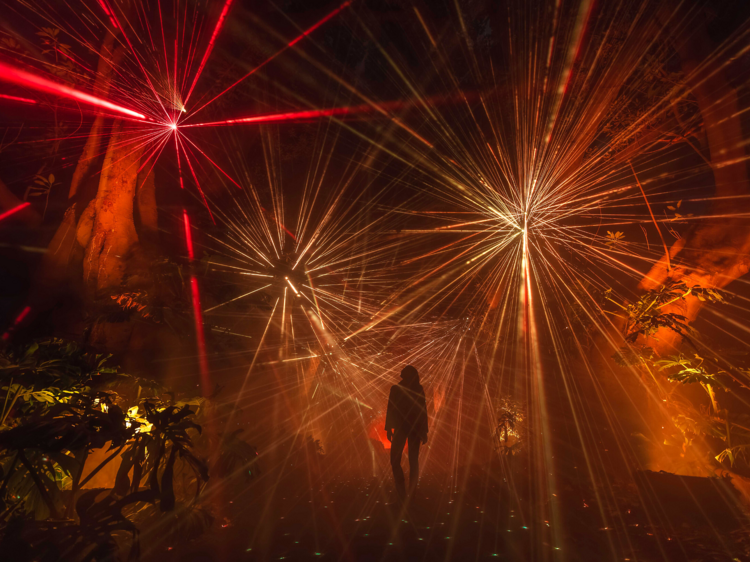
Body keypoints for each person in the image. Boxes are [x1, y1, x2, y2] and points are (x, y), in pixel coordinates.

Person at [385, 365, 428, 500]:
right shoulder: (416, 389)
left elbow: (391, 408)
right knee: (412, 461)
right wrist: (424, 430)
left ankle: (403, 492)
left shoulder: (396, 389)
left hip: (401, 427)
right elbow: (422, 410)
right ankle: (410, 493)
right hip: (413, 428)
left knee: (396, 460)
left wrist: (389, 428)